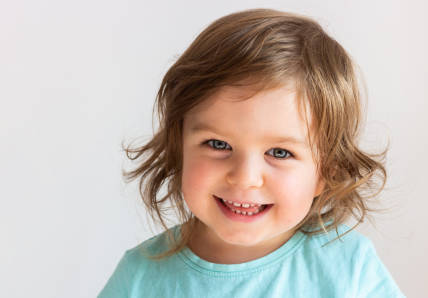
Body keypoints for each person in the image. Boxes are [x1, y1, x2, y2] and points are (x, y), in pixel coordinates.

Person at [98, 8, 405, 298]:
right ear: (179, 146)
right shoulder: (139, 278)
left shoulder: (350, 269)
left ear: (327, 171)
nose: (245, 178)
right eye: (219, 145)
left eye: (279, 153)